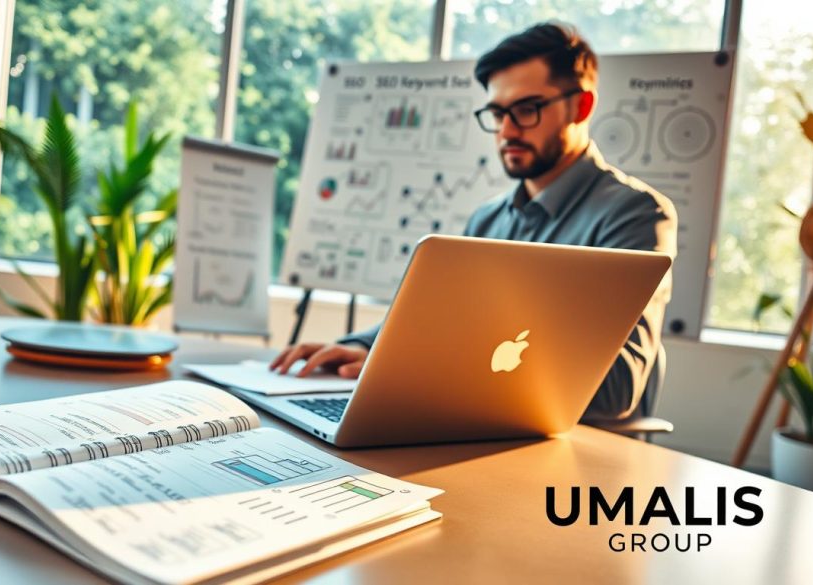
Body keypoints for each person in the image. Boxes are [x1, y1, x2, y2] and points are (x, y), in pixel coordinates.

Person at [270, 22, 677, 421]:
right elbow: (431, 318)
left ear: (581, 106)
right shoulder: (488, 220)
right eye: (497, 113)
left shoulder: (634, 216)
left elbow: (617, 388)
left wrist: (433, 361)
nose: (506, 130)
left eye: (526, 110)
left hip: (584, 457)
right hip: (477, 428)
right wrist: (364, 348)